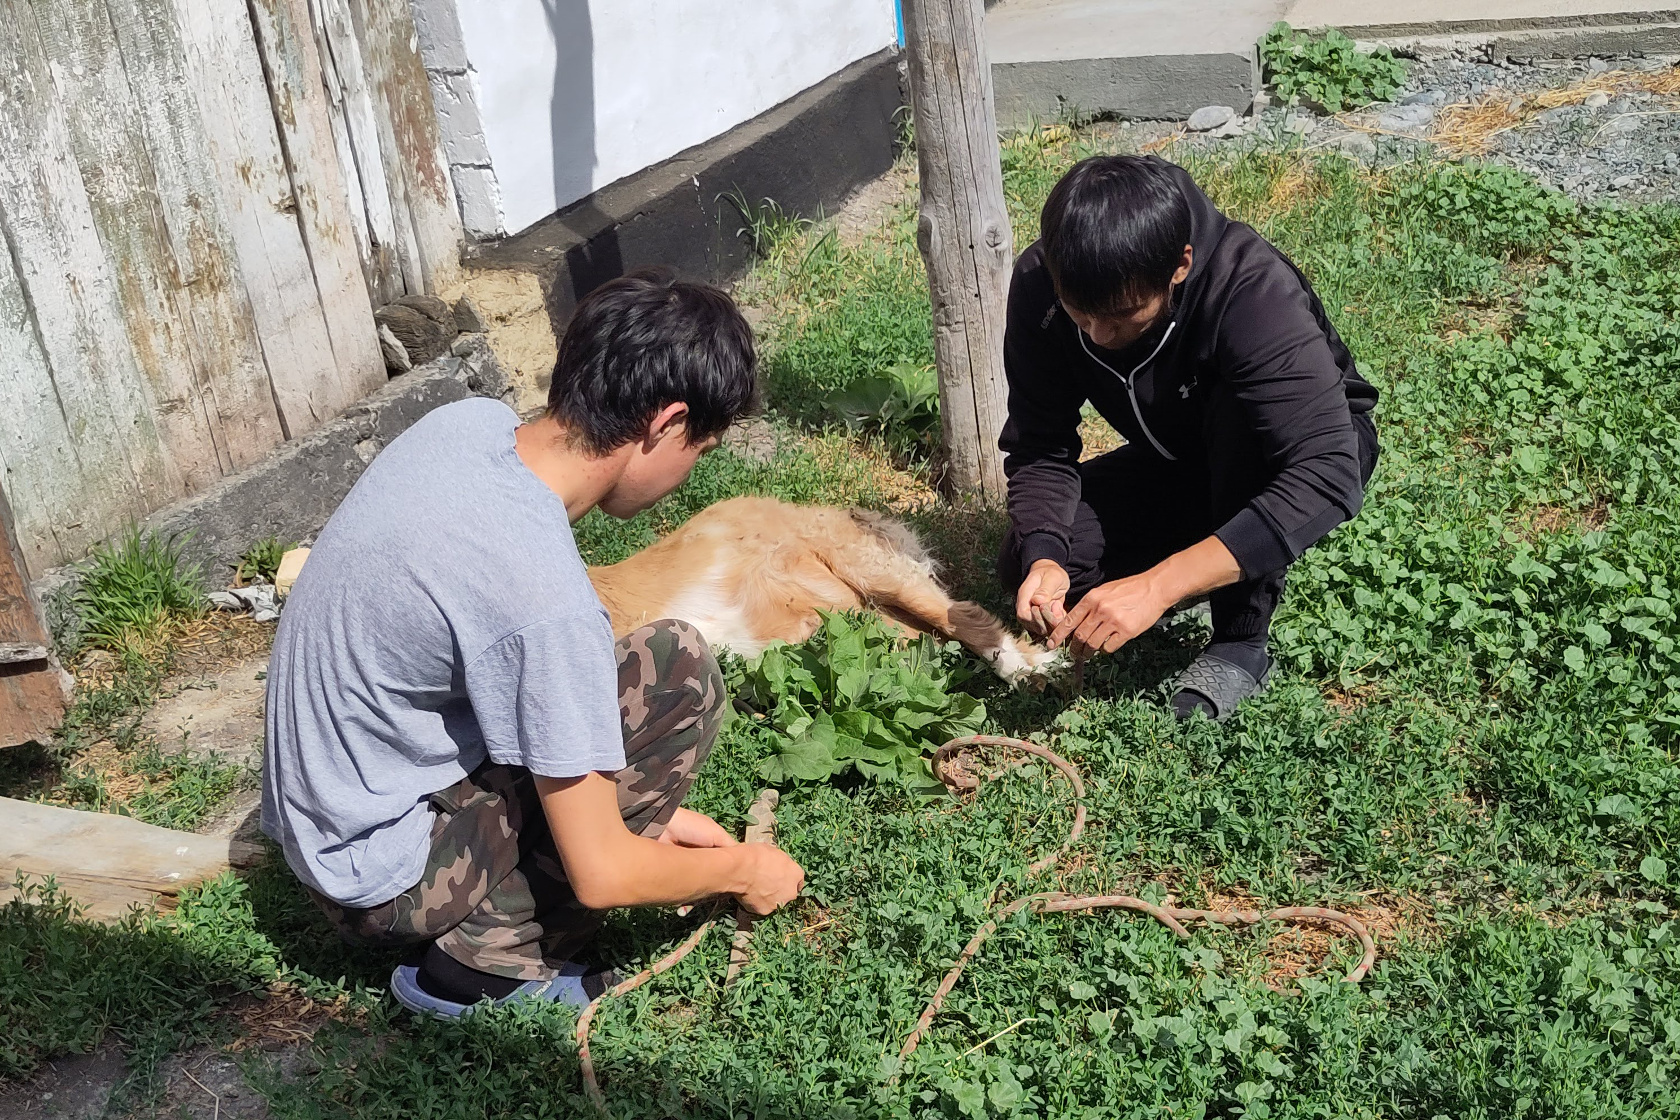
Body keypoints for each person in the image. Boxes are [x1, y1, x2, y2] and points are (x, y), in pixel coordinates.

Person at [262, 269, 805, 1017]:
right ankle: (482, 971)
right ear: (665, 423)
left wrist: (660, 817)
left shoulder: (466, 425)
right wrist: (745, 872)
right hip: (378, 882)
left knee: (623, 691)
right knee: (676, 671)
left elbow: (484, 652)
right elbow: (604, 875)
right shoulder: (543, 599)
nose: (690, 474)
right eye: (700, 450)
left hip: (322, 817)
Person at [998, 154, 1379, 721]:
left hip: (1285, 452)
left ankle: (1240, 637)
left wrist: (1158, 586)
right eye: (1081, 316)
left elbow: (1326, 471)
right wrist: (1046, 557)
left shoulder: (1249, 289)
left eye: (1124, 316)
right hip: (1178, 461)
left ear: (1181, 265)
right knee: (1028, 556)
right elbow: (1041, 443)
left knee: (1240, 424)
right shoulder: (1041, 284)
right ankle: (1202, 565)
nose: (1100, 337)